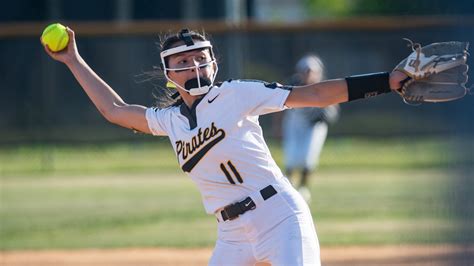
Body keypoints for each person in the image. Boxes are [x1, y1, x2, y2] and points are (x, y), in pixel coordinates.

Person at [42, 27, 408, 266]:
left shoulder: (235, 93)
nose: (194, 64)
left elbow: (313, 94)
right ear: (169, 74)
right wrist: (72, 59)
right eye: (183, 61)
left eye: (201, 57)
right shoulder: (168, 121)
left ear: (214, 63)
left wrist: (387, 81)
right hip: (231, 234)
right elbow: (115, 110)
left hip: (279, 216)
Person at [282, 55, 340, 204]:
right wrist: (277, 125)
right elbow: (280, 106)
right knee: (291, 157)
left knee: (308, 158)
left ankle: (303, 188)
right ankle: (286, 188)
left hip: (313, 126)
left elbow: (333, 108)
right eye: (305, 71)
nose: (308, 74)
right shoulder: (292, 85)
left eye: (311, 71)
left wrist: (327, 113)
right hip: (294, 124)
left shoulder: (323, 86)